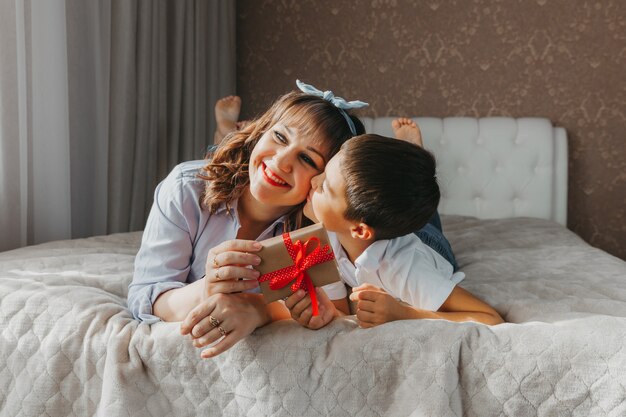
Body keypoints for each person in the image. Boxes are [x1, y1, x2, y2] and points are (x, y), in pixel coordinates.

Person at [128, 80, 368, 359]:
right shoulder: (187, 189)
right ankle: (225, 130)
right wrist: (206, 290)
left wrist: (258, 309)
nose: (281, 162)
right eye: (279, 137)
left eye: (306, 159)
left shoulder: (315, 231)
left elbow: (335, 311)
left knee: (410, 228)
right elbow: (144, 298)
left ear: (323, 180)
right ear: (261, 132)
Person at [285, 134, 504, 329]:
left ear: (359, 230)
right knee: (409, 213)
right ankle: (410, 180)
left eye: (323, 187)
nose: (313, 180)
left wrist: (406, 313)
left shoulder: (405, 269)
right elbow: (338, 308)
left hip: (430, 246)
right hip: (385, 231)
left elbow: (490, 318)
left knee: (428, 228)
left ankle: (415, 179)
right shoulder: (327, 234)